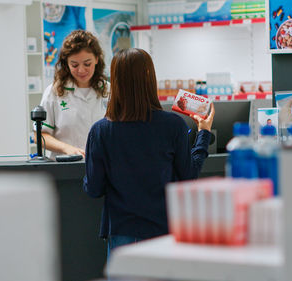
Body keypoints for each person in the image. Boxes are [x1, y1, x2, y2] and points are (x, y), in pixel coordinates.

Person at [83, 48, 215, 255]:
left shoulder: (100, 131)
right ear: (150, 78)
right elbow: (188, 176)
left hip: (122, 231)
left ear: (115, 82)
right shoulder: (173, 125)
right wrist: (203, 133)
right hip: (164, 230)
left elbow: (94, 189)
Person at [38, 30, 109, 159]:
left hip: (103, 167)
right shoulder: (54, 92)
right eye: (74, 65)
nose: (81, 70)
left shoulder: (110, 91)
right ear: (66, 63)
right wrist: (67, 149)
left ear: (97, 59)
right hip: (66, 168)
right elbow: (40, 136)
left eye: (87, 64)